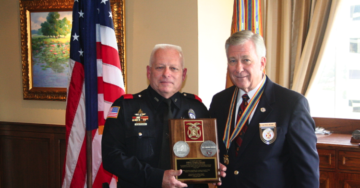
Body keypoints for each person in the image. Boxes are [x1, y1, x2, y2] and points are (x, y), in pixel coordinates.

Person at [102, 44, 226, 188]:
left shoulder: (198, 109)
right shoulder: (126, 107)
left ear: (183, 74)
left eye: (174, 68)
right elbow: (111, 157)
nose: (166, 73)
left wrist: (213, 167)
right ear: (149, 72)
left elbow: (208, 150)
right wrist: (157, 177)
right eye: (160, 67)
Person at [209, 30, 319, 188]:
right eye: (232, 60)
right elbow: (213, 149)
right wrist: (212, 166)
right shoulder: (220, 101)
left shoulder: (291, 104)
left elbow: (307, 171)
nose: (238, 68)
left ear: (262, 63)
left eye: (246, 60)